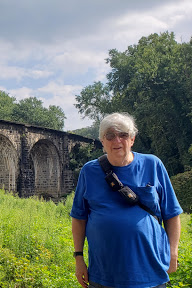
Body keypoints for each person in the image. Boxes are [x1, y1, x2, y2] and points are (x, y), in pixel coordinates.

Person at [70, 112, 182, 288]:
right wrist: (79, 257)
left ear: (132, 139)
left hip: (149, 272)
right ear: (102, 141)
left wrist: (173, 252)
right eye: (110, 135)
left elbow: (172, 214)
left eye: (123, 135)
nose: (117, 141)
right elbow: (79, 217)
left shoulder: (153, 164)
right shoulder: (88, 171)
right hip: (103, 274)